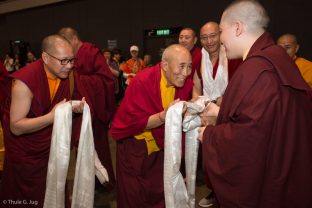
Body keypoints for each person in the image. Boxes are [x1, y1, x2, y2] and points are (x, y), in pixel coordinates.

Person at [198, 0, 312, 207]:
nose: (220, 38)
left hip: (269, 176)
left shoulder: (256, 68)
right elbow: (267, 115)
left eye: (221, 31)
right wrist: (222, 111)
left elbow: (248, 139)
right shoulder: (277, 56)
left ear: (238, 28)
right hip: (288, 162)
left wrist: (209, 135)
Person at [0, 34, 84, 207]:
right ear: (45, 57)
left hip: (51, 148)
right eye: (63, 61)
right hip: (27, 155)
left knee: (55, 191)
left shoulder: (65, 74)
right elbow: (15, 127)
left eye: (72, 60)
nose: (69, 66)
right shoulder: (24, 83)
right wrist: (51, 117)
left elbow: (56, 106)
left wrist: (71, 109)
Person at [110, 44, 193, 208]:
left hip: (162, 149)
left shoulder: (185, 82)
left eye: (189, 67)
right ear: (165, 65)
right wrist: (165, 115)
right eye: (181, 66)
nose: (186, 73)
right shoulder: (143, 81)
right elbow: (134, 123)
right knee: (134, 197)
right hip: (136, 148)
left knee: (160, 193)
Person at [58, 27, 116, 191]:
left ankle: (104, 183)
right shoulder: (72, 54)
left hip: (94, 110)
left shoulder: (90, 51)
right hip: (78, 109)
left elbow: (106, 80)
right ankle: (87, 183)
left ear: (74, 39)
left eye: (67, 44)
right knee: (81, 146)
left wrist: (77, 79)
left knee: (98, 147)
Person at [195, 21, 241, 207]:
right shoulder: (199, 57)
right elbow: (196, 84)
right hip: (207, 112)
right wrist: (198, 103)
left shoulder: (232, 55)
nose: (209, 41)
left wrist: (224, 99)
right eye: (204, 37)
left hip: (229, 112)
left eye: (213, 36)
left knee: (229, 154)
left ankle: (232, 192)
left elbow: (239, 84)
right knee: (210, 155)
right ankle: (214, 191)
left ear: (220, 35)